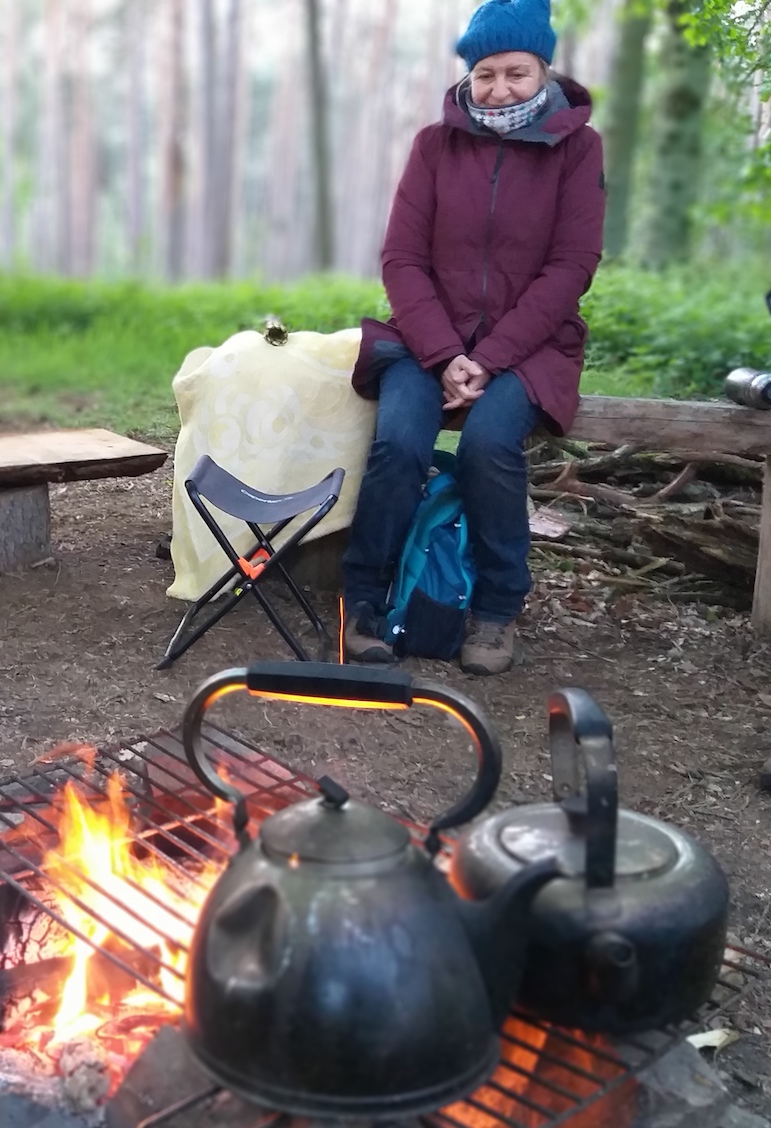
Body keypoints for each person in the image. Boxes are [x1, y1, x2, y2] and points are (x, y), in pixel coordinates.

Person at [342, 0, 606, 675]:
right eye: (484, 74)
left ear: (543, 69)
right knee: (398, 442)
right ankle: (362, 602)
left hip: (530, 346)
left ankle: (494, 610)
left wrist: (487, 358)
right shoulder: (436, 145)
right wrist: (443, 352)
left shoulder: (578, 148)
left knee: (490, 443)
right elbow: (401, 258)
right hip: (426, 338)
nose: (498, 89)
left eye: (515, 72)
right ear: (468, 74)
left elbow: (571, 266)